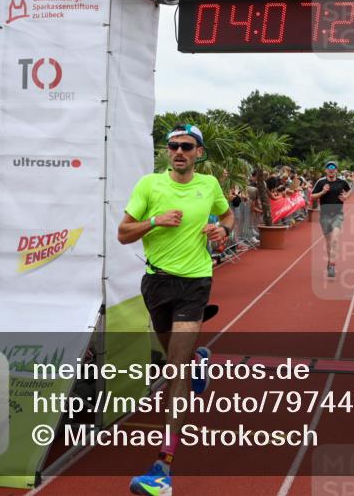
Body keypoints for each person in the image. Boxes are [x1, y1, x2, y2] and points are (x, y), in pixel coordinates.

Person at [118, 124, 233, 496]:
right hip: (156, 283)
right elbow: (123, 233)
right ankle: (199, 359)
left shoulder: (210, 186)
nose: (179, 151)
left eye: (186, 146)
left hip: (195, 283)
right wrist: (155, 221)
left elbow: (226, 216)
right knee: (173, 357)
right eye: (173, 146)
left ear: (198, 152)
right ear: (168, 152)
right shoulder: (149, 185)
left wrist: (223, 232)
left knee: (174, 371)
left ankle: (163, 468)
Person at [310, 161, 350, 278]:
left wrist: (346, 197)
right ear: (326, 170)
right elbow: (312, 196)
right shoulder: (321, 182)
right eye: (329, 168)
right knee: (328, 243)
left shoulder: (342, 182)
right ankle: (330, 261)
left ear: (337, 170)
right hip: (325, 216)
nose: (331, 169)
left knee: (334, 240)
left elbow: (349, 189)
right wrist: (323, 191)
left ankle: (332, 265)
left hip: (338, 214)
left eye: (333, 168)